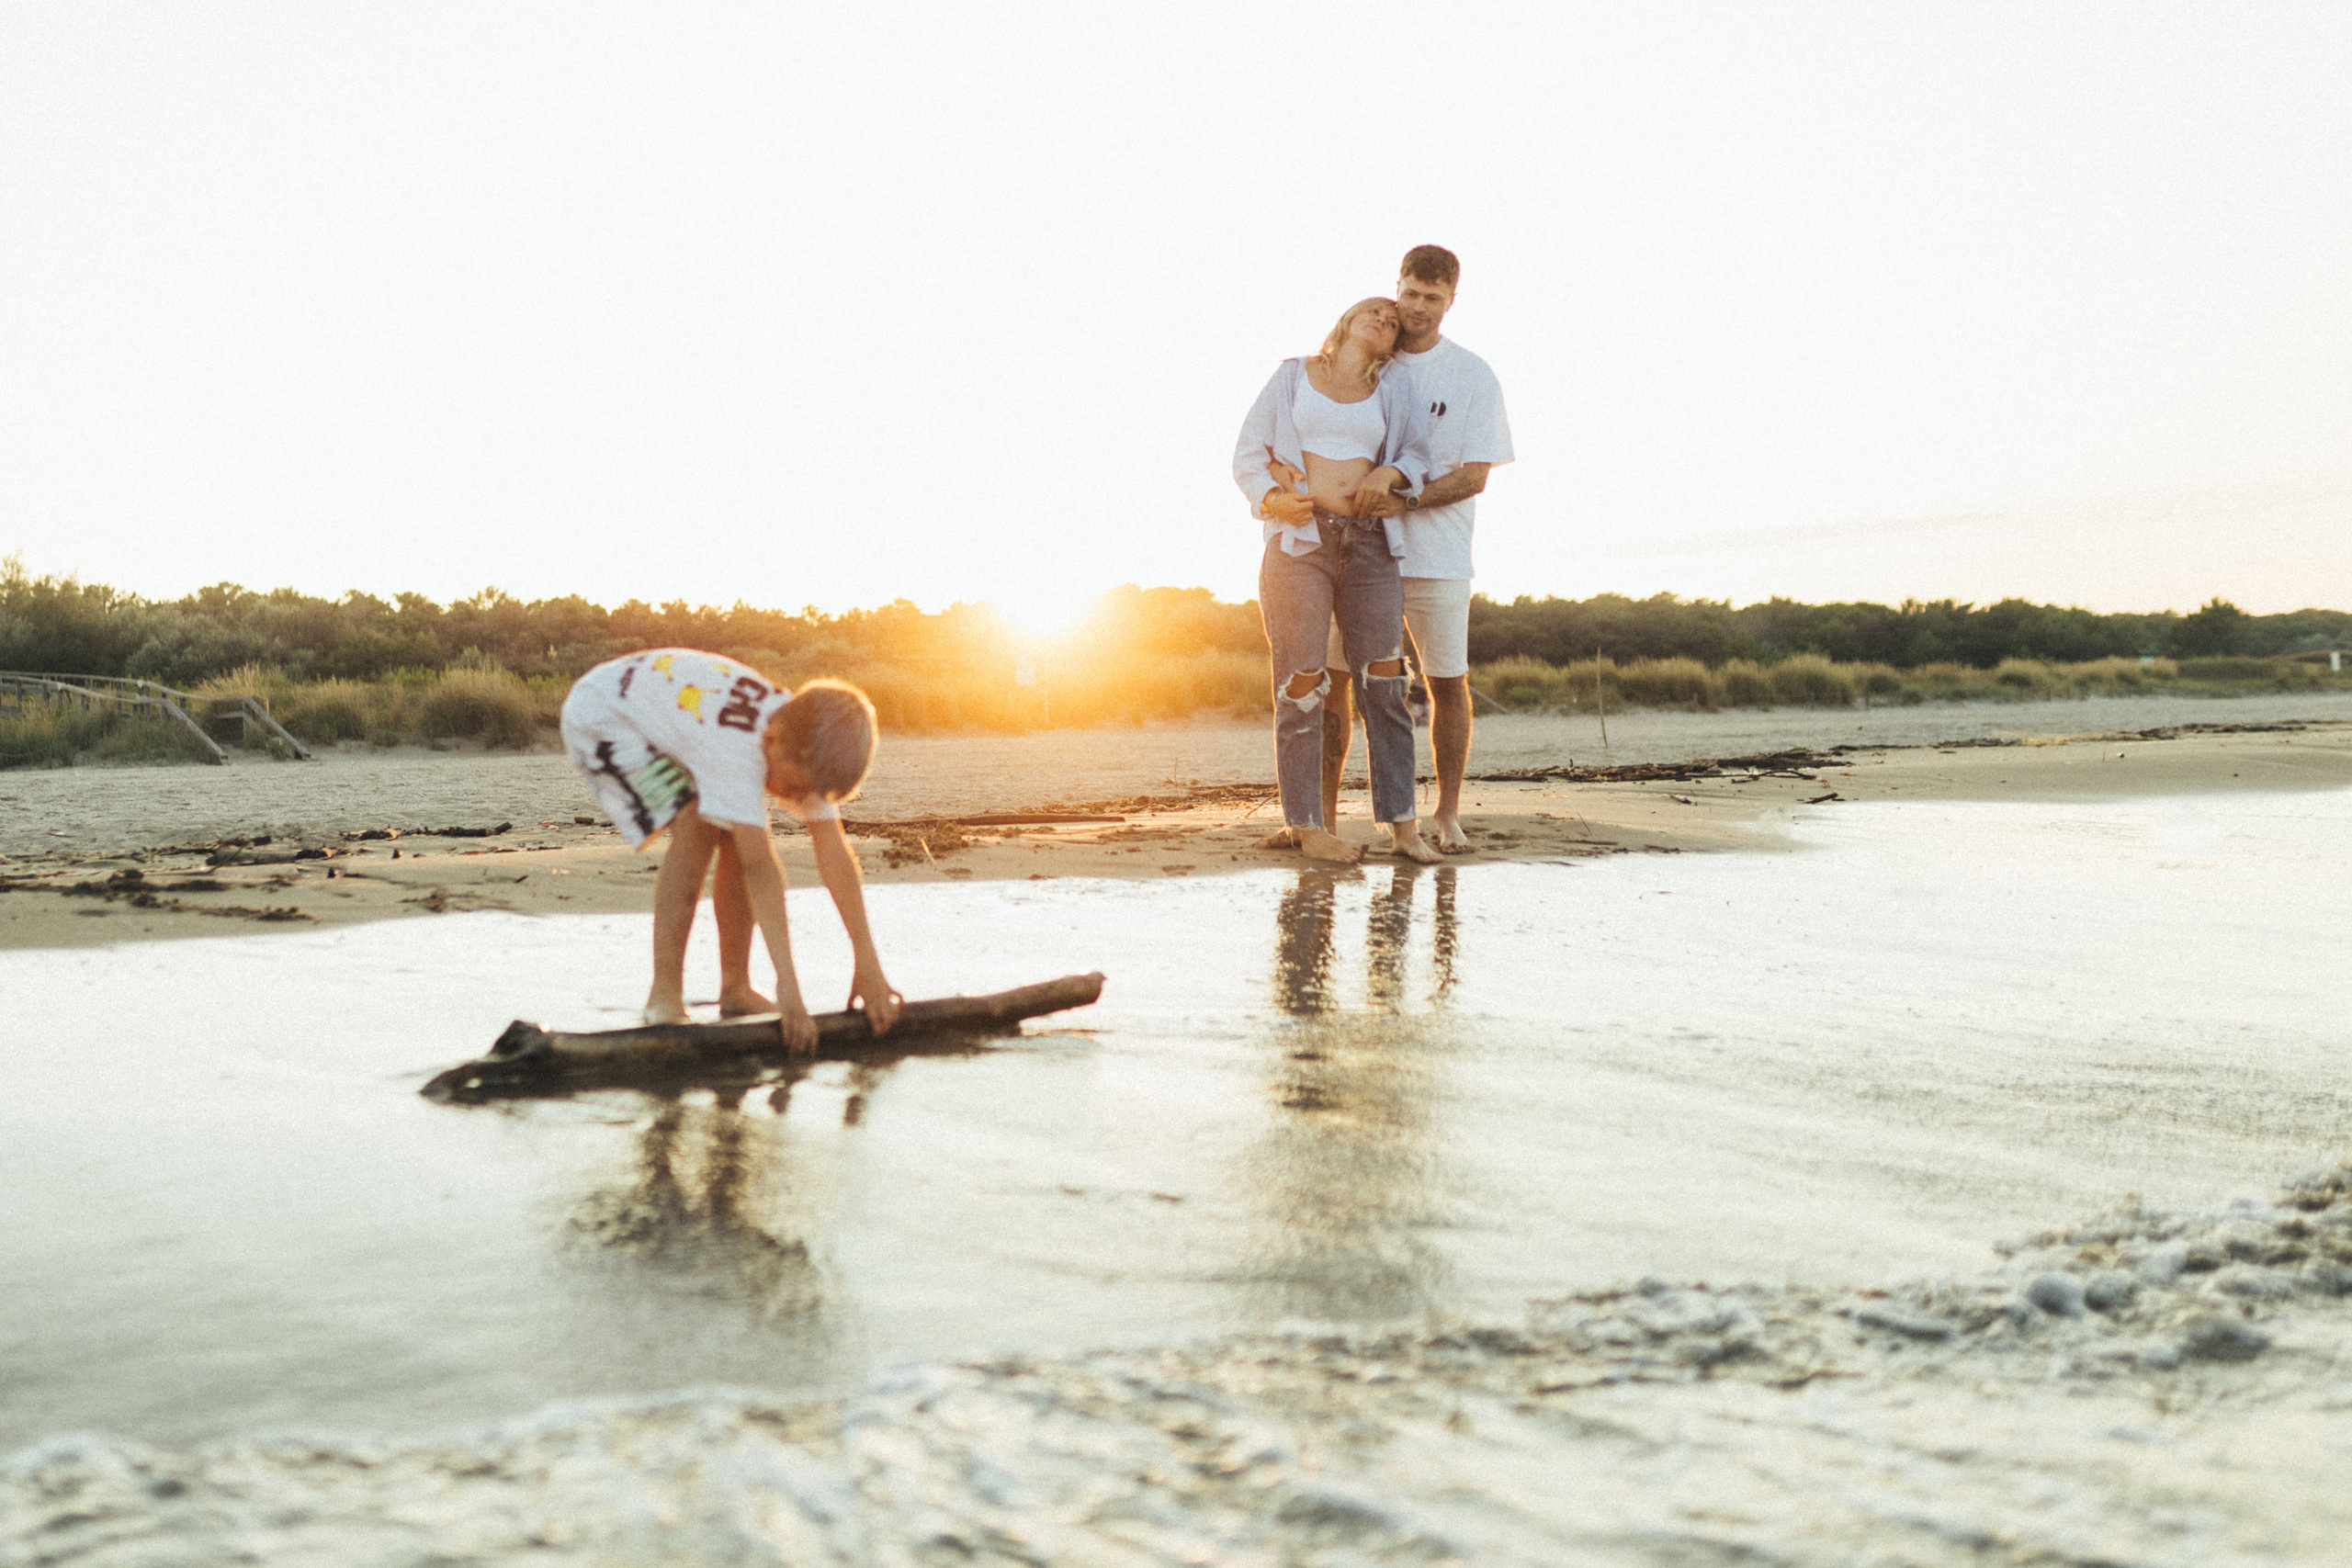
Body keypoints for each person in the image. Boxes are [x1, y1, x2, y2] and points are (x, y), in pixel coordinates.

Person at [560, 648, 900, 1047]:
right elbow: (762, 869)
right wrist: (788, 987)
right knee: (698, 825)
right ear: (772, 740)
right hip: (603, 717)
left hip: (665, 710)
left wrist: (868, 962)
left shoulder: (805, 739)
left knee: (738, 831)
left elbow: (835, 855)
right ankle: (664, 996)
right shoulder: (738, 751)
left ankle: (735, 989)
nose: (795, 798)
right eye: (793, 788)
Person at [1315, 245, 1514, 853]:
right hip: (1358, 550)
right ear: (1395, 289)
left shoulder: (1472, 374)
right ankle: (1320, 817)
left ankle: (1447, 813)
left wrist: (1403, 498)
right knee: (1336, 679)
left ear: (1451, 301)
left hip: (1439, 557)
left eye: (1433, 297)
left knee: (1446, 683)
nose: (1418, 307)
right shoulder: (1367, 360)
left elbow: (1475, 475)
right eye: (1410, 293)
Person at [1233, 298, 1442, 864]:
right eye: (1373, 310)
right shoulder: (1292, 376)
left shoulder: (1395, 387)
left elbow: (1418, 453)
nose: (1384, 319)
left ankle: (1402, 825)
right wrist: (1273, 498)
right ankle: (1307, 825)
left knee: (1386, 682)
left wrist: (1391, 471)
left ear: (1393, 341)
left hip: (1370, 543)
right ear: (1347, 321)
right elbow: (1249, 455)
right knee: (1301, 684)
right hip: (1300, 543)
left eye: (1392, 321)